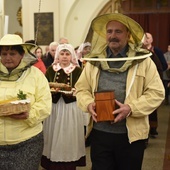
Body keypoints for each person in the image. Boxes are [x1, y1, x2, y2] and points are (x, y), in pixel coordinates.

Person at [75, 13, 165, 170]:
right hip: (100, 134)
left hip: (131, 136)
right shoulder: (95, 61)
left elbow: (157, 93)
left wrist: (131, 108)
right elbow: (81, 89)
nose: (112, 36)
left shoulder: (143, 61)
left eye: (118, 31)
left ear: (128, 34)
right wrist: (88, 104)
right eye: (109, 31)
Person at [0, 34, 52, 170]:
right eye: (4, 53)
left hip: (27, 142)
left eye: (12, 53)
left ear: (22, 54)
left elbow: (45, 105)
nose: (7, 57)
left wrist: (29, 114)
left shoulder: (35, 75)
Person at [41, 43, 86, 170]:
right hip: (54, 108)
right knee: (53, 134)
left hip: (70, 108)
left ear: (72, 56)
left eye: (67, 54)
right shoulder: (51, 70)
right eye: (62, 54)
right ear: (57, 55)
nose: (64, 57)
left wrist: (74, 91)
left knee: (68, 134)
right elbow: (45, 87)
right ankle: (53, 161)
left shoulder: (77, 71)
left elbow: (82, 88)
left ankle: (69, 161)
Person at [143, 32, 168, 137]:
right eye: (144, 38)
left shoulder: (156, 51)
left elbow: (163, 65)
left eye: (148, 37)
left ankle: (153, 128)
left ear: (152, 40)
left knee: (152, 107)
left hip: (153, 80)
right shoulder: (138, 51)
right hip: (142, 81)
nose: (146, 39)